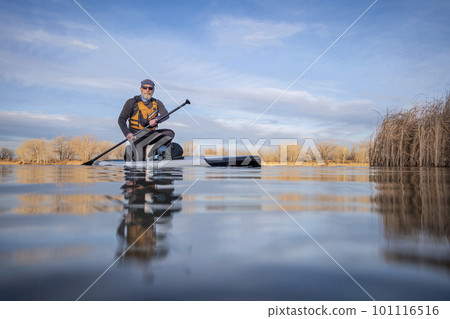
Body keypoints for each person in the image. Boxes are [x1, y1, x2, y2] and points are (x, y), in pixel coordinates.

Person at [118, 79, 175, 161]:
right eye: (145, 88)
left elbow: (166, 115)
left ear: (153, 91)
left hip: (150, 135)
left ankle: (157, 152)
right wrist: (127, 133)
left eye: (150, 88)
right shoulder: (131, 102)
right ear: (141, 89)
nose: (147, 90)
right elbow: (121, 119)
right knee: (140, 161)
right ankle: (131, 153)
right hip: (136, 136)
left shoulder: (157, 103)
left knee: (169, 134)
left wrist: (157, 119)